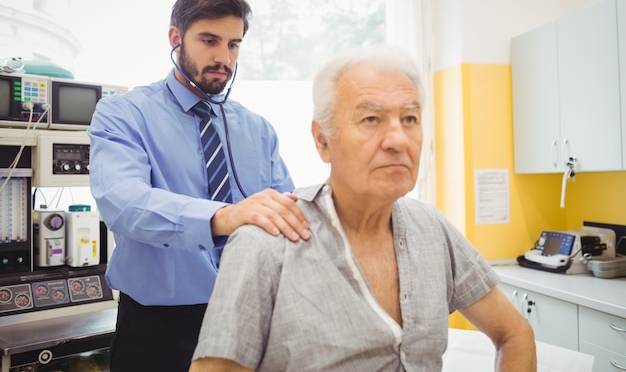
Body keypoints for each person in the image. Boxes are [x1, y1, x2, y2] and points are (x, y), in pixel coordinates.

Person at [188, 45, 537, 372]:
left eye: (410, 119)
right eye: (371, 119)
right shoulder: (264, 246)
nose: (398, 140)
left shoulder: (431, 229)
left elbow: (515, 333)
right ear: (322, 140)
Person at [87, 0, 311, 372]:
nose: (223, 57)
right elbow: (123, 202)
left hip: (250, 318)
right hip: (159, 329)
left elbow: (284, 215)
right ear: (176, 38)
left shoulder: (258, 129)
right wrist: (222, 217)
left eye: (234, 45)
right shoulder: (123, 114)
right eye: (209, 40)